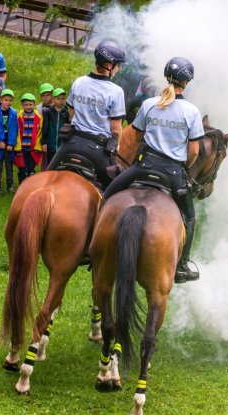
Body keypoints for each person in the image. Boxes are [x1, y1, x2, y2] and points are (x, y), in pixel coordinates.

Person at [103, 57, 205, 283]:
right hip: (172, 173)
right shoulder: (191, 111)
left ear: (166, 76)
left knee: (108, 195)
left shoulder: (150, 104)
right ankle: (181, 265)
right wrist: (185, 167)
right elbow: (195, 151)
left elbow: (138, 135)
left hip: (142, 167)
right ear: (186, 83)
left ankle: (94, 245)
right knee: (189, 216)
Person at [46, 41, 127, 188]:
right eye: (118, 65)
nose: (118, 69)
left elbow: (71, 114)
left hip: (70, 143)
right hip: (97, 150)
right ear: (109, 65)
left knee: (46, 178)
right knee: (115, 191)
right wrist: (117, 145)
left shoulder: (79, 82)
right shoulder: (116, 91)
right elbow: (115, 129)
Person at [0, 89, 18, 193]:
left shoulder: (14, 113)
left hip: (9, 143)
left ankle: (10, 186)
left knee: (9, 166)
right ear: (1, 100)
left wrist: (11, 143)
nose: (8, 102)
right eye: (6, 100)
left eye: (10, 100)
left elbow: (14, 129)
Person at [15, 93, 43, 183]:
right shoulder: (19, 116)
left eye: (30, 104)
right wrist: (17, 146)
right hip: (22, 147)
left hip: (32, 148)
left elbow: (40, 132)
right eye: (26, 105)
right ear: (22, 105)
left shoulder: (38, 117)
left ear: (34, 104)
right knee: (22, 168)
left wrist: (38, 146)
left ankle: (30, 185)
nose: (28, 107)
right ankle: (21, 185)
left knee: (31, 169)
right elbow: (16, 131)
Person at [40, 87, 70, 170]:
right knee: (51, 164)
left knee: (60, 164)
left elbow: (67, 128)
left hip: (61, 144)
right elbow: (45, 127)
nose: (61, 101)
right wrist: (44, 142)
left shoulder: (66, 113)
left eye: (62, 99)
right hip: (51, 143)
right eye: (58, 99)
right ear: (53, 99)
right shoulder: (48, 112)